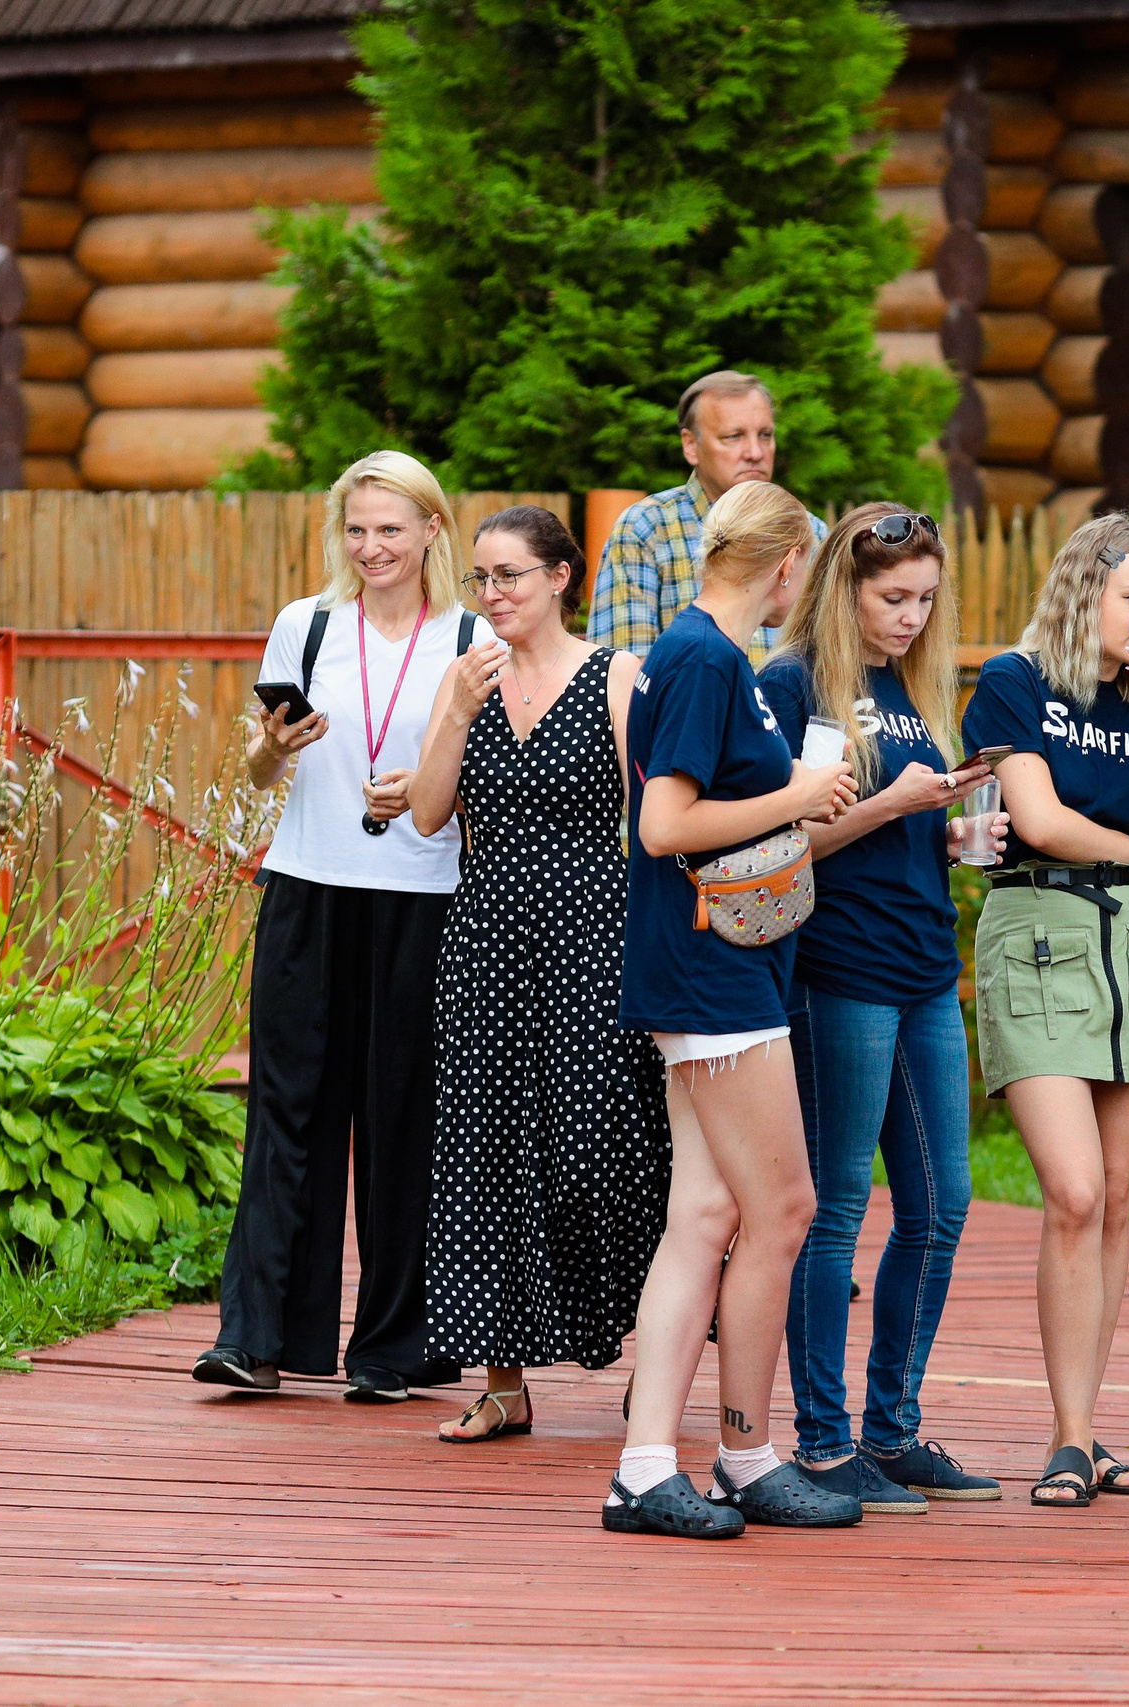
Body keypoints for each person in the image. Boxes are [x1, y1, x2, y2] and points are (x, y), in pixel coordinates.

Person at [196, 450, 484, 1404]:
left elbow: (493, 784)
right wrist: (269, 749)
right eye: (357, 530)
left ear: (432, 530)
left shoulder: (473, 641)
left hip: (424, 900)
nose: (372, 547)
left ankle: (395, 1348)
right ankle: (259, 1336)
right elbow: (256, 775)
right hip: (307, 887)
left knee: (405, 1121)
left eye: (391, 529)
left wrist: (428, 787)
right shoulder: (305, 625)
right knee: (287, 1111)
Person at [607, 479, 862, 1539]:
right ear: (787, 564)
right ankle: (747, 1456)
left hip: (719, 963)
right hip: (711, 968)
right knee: (784, 1210)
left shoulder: (706, 656)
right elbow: (663, 823)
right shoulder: (708, 658)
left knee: (706, 1215)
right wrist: (801, 797)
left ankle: (645, 1467)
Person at [758, 504, 1008, 1515]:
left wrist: (941, 835)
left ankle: (891, 1432)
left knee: (942, 1207)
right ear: (840, 588)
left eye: (924, 600)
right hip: (838, 970)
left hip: (922, 968)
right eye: (891, 598)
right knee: (835, 1210)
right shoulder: (792, 686)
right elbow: (778, 842)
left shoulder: (910, 688)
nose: (911, 617)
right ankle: (821, 1443)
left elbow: (883, 822)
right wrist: (892, 807)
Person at [959, 512, 1129, 1510]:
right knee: (1069, 1193)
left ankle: (1083, 1434)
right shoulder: (1017, 681)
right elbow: (1038, 820)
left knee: (1112, 1201)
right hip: (1039, 934)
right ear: (1084, 592)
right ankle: (1066, 1439)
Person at [403, 505, 671, 1446]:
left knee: (608, 1149)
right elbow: (430, 815)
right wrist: (456, 713)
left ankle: (654, 1366)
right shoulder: (464, 679)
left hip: (594, 940)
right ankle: (503, 1381)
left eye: (510, 575)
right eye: (481, 578)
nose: (492, 595)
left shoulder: (617, 676)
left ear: (562, 577)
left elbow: (654, 821)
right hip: (484, 945)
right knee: (482, 1153)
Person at [585, 370, 825, 661]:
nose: (755, 452)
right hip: (686, 707)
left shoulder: (812, 533)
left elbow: (832, 660)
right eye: (733, 436)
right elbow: (624, 674)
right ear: (690, 445)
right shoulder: (647, 528)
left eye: (765, 435)